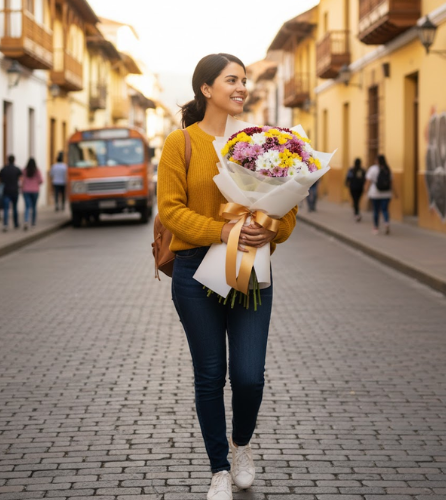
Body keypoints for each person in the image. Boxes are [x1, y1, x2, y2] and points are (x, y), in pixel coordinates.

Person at [157, 53, 297, 500]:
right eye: (231, 79)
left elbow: (289, 208)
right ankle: (219, 467)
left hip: (252, 268)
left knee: (249, 376)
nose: (241, 87)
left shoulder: (265, 142)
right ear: (206, 88)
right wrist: (221, 229)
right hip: (195, 270)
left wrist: (269, 229)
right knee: (210, 375)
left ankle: (242, 446)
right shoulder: (180, 144)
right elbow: (170, 209)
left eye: (244, 80)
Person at [364, 154, 397, 235]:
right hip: (386, 194)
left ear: (377, 161)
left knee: (376, 210)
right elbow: (391, 183)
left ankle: (376, 227)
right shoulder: (387, 169)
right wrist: (395, 193)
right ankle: (386, 223)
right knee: (385, 209)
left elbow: (368, 181)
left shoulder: (373, 169)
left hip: (375, 193)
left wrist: (365, 191)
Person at [0, 155, 22, 232]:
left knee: (6, 209)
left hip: (6, 191)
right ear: (14, 160)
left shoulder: (3, 169)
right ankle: (16, 224)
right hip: (14, 191)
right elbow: (21, 179)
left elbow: (0, 179)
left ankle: (5, 224)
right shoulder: (17, 169)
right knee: (15, 208)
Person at [22, 158, 43, 230]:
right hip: (35, 191)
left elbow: (22, 180)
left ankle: (26, 221)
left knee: (27, 207)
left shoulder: (24, 170)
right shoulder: (37, 171)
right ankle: (33, 223)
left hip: (26, 190)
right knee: (34, 207)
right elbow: (41, 181)